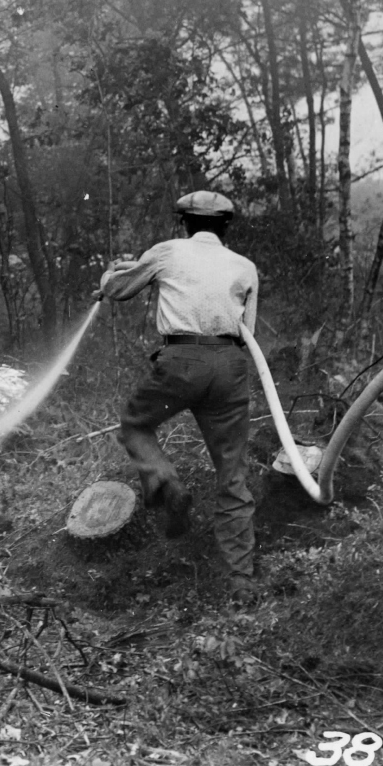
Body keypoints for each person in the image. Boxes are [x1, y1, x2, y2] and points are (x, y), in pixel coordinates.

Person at [95, 190, 260, 603]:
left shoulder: (168, 251)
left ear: (185, 224)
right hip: (229, 366)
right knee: (233, 475)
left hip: (181, 361)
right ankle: (241, 583)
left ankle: (166, 484)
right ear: (225, 227)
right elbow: (248, 334)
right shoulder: (245, 267)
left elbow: (118, 290)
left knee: (136, 423)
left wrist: (112, 273)